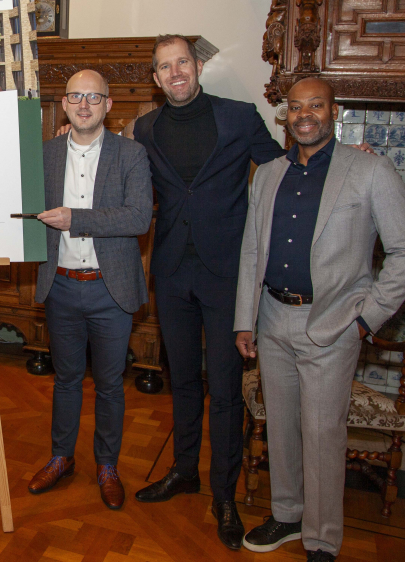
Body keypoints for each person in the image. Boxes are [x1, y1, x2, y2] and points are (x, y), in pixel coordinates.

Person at [234, 78, 405, 562]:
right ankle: (287, 515)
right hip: (272, 319)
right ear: (284, 117)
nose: (305, 114)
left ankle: (323, 537)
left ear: (334, 111)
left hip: (334, 323)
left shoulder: (370, 171)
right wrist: (244, 319)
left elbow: (402, 251)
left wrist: (366, 319)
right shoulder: (266, 174)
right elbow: (252, 250)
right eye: (295, 107)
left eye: (316, 105)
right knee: (282, 426)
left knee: (322, 433)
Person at [132, 34, 286, 550]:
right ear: (155, 79)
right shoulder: (146, 128)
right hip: (172, 274)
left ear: (196, 66)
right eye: (164, 67)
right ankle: (184, 471)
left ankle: (223, 494)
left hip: (227, 274)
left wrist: (336, 158)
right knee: (181, 384)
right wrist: (69, 131)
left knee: (224, 390)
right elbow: (115, 169)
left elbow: (284, 170)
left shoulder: (239, 117)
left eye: (182, 62)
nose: (175, 72)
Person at [28, 69, 152, 510]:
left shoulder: (131, 155)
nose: (84, 105)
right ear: (63, 104)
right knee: (64, 380)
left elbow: (138, 218)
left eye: (94, 97)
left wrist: (76, 219)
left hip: (109, 290)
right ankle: (61, 458)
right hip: (60, 286)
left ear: (108, 105)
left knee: (109, 385)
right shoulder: (42, 155)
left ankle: (107, 465)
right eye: (76, 96)